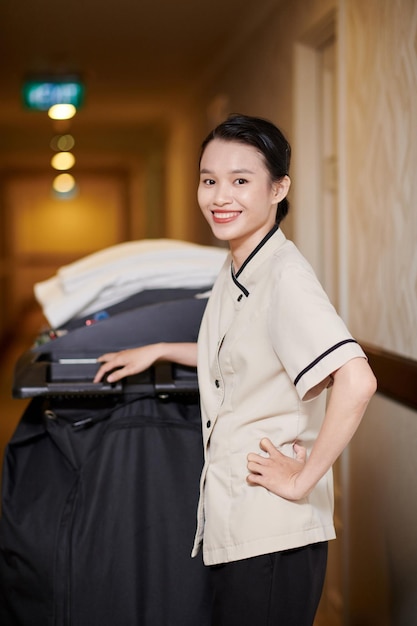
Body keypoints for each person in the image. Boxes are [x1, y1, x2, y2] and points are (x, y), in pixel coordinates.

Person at [94, 114, 377, 626]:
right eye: (209, 180)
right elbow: (242, 352)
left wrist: (303, 480)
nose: (219, 196)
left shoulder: (286, 277)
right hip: (242, 522)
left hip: (272, 530)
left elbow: (357, 379)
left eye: (240, 181)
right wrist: (160, 348)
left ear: (278, 188)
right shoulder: (240, 262)